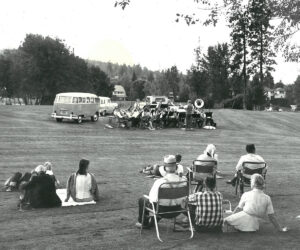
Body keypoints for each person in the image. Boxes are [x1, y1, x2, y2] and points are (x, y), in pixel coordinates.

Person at [136, 155, 187, 228]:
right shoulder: (184, 181)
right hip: (178, 210)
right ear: (176, 168)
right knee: (162, 203)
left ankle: (144, 223)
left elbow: (152, 199)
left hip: (161, 211)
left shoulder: (160, 182)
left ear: (165, 169)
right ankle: (153, 221)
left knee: (142, 200)